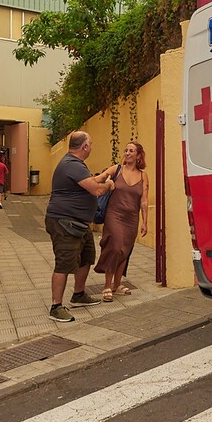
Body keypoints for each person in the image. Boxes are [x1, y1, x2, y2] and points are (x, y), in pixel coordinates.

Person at [44, 131, 110, 321]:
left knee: (86, 257)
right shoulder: (71, 165)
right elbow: (97, 189)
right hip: (65, 223)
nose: (91, 146)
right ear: (85, 147)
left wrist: (105, 174)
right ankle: (56, 306)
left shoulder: (75, 165)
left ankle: (79, 294)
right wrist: (109, 184)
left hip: (79, 224)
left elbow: (90, 182)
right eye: (91, 143)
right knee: (64, 263)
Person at [94, 142, 149, 302]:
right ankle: (107, 285)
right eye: (126, 150)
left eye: (131, 151)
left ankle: (117, 285)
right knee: (115, 247)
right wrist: (86, 182)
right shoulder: (116, 169)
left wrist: (145, 222)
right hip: (114, 215)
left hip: (131, 219)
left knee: (125, 250)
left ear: (138, 155)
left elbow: (144, 202)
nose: (127, 153)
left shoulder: (143, 176)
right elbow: (98, 180)